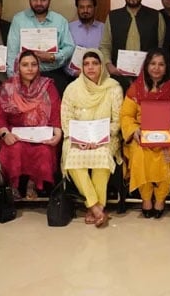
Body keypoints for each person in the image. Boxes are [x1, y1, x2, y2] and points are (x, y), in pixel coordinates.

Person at [120, 48, 170, 219]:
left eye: (161, 64)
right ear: (146, 66)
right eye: (152, 64)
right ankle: (146, 197)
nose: (156, 68)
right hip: (141, 134)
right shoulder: (135, 88)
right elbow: (126, 115)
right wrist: (133, 130)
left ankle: (160, 197)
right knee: (139, 153)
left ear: (167, 67)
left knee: (168, 155)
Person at [61, 49, 122, 227]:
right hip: (77, 138)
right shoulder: (72, 89)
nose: (90, 67)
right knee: (72, 159)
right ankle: (96, 207)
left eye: (95, 63)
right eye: (86, 64)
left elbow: (117, 121)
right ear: (81, 67)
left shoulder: (113, 88)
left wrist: (99, 137)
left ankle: (94, 207)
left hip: (105, 137)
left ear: (102, 66)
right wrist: (79, 139)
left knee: (102, 157)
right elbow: (66, 119)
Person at [0, 50, 62, 200]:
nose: (30, 69)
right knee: (14, 148)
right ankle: (14, 186)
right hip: (15, 134)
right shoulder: (7, 88)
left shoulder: (47, 86)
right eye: (25, 65)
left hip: (41, 134)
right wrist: (5, 134)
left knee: (43, 149)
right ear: (18, 67)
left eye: (33, 65)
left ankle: (32, 184)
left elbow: (56, 114)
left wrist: (57, 135)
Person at [6, 0, 75, 95]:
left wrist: (53, 57)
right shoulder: (19, 19)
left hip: (54, 74)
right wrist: (13, 79)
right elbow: (12, 51)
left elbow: (69, 47)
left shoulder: (60, 20)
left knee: (54, 110)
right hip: (25, 77)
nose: (39, 3)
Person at [100, 0, 165, 92]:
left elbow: (161, 46)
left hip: (149, 77)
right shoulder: (113, 16)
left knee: (146, 109)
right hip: (119, 76)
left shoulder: (155, 16)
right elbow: (105, 45)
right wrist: (109, 65)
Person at [66, 0, 104, 78]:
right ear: (77, 8)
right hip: (74, 77)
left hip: (99, 78)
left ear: (95, 8)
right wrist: (74, 73)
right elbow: (65, 57)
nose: (85, 10)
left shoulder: (104, 29)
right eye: (81, 7)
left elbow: (107, 55)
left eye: (89, 7)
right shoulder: (68, 28)